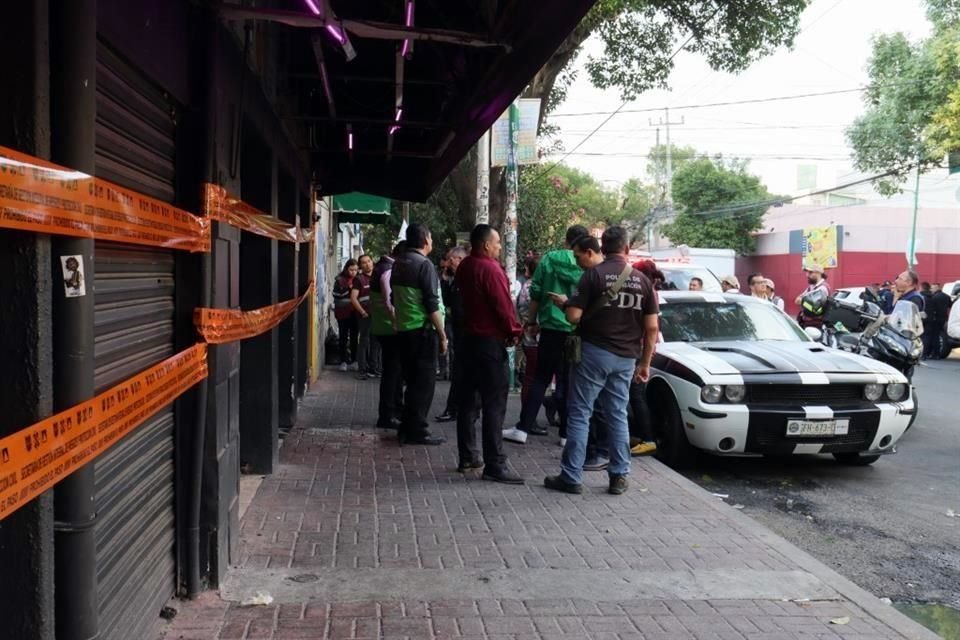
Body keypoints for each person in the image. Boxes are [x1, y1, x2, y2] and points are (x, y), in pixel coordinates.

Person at [543, 226, 659, 496]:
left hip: (594, 354)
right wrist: (644, 363)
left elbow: (573, 316)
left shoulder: (593, 275)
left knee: (580, 412)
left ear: (602, 248)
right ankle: (619, 476)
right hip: (626, 357)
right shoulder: (642, 280)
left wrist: (565, 304)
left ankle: (571, 476)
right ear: (626, 248)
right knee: (617, 414)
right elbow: (652, 327)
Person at [454, 224, 525, 484]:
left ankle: (468, 456)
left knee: (468, 402)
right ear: (486, 245)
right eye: (496, 243)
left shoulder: (465, 267)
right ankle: (495, 463)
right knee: (494, 404)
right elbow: (503, 306)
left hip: (468, 342)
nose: (499, 247)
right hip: (489, 344)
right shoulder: (491, 269)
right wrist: (514, 331)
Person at [514, 225, 589, 440]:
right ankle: (566, 434)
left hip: (550, 328)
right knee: (568, 381)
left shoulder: (548, 259)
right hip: (575, 330)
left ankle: (523, 428)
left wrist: (531, 321)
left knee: (541, 378)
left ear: (566, 240)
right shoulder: (586, 263)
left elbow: (536, 293)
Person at [390, 223, 447, 445]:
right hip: (422, 332)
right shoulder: (424, 265)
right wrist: (442, 335)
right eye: (430, 238)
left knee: (412, 381)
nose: (432, 242)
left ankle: (407, 428)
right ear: (424, 239)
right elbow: (431, 304)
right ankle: (418, 430)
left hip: (404, 330)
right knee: (423, 383)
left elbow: (394, 298)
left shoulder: (399, 263)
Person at [370, 243, 405, 430]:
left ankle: (395, 411)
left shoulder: (381, 267)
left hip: (383, 327)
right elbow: (389, 302)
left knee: (394, 372)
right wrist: (397, 323)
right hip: (389, 328)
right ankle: (388, 414)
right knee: (392, 372)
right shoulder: (388, 271)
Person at [436, 246, 468, 422]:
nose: (447, 263)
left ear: (459, 259)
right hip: (458, 330)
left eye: (450, 260)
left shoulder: (467, 279)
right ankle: (456, 408)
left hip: (466, 332)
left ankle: (456, 408)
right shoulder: (454, 279)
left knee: (461, 371)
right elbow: (447, 301)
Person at [516, 255, 541, 407]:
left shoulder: (526, 286)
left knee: (530, 374)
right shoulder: (537, 286)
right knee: (534, 376)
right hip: (535, 336)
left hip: (528, 336)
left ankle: (528, 410)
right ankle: (530, 411)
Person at [351, 254, 380, 379]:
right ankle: (362, 370)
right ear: (360, 266)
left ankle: (374, 369)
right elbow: (353, 298)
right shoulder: (359, 279)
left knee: (375, 342)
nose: (367, 264)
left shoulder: (378, 276)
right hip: (365, 315)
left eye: (369, 261)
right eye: (364, 262)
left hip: (377, 315)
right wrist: (362, 312)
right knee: (364, 342)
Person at [332, 259, 360, 371]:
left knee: (354, 337)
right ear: (346, 269)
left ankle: (354, 360)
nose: (353, 272)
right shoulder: (339, 280)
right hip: (342, 313)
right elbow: (336, 295)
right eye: (351, 270)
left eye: (356, 270)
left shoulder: (358, 280)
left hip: (355, 313)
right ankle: (343, 361)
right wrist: (349, 290)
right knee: (343, 337)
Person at [927, 284, 953, 359]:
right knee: (940, 336)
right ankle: (937, 354)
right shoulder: (946, 296)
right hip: (943, 318)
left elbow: (932, 308)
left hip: (935, 318)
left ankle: (935, 354)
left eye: (932, 288)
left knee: (934, 337)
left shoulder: (934, 297)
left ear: (937, 288)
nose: (931, 290)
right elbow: (950, 306)